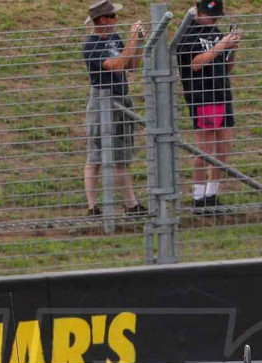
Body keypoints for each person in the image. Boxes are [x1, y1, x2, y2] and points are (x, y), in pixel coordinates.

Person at [82, 0, 148, 217]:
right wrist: (131, 38)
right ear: (103, 20)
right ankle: (93, 207)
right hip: (103, 101)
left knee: (122, 154)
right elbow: (116, 65)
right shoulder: (91, 44)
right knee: (96, 155)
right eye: (112, 17)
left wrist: (137, 43)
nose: (116, 20)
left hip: (121, 98)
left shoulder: (115, 38)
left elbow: (131, 65)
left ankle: (131, 205)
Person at [176, 0, 241, 212]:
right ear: (198, 11)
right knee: (203, 150)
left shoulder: (216, 32)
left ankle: (212, 194)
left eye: (216, 16)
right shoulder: (187, 33)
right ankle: (198, 198)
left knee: (224, 146)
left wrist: (232, 48)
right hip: (202, 96)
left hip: (222, 93)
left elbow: (227, 66)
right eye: (209, 15)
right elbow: (194, 64)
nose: (213, 20)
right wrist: (221, 45)